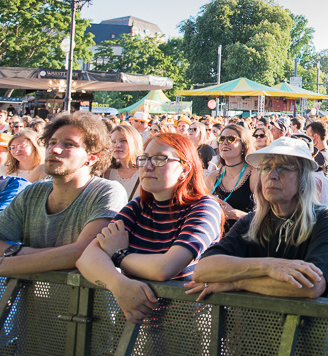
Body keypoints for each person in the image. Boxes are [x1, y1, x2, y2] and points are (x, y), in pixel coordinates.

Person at [76, 133, 223, 323]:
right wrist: (117, 284)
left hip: (187, 323)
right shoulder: (137, 207)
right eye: (144, 159)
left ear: (185, 169)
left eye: (160, 159)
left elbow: (165, 268)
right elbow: (87, 258)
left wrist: (118, 255)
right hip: (136, 317)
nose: (147, 166)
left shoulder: (205, 207)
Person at [187, 138, 328, 300]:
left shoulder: (325, 218)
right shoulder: (251, 221)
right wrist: (268, 266)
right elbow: (203, 269)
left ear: (303, 177)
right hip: (251, 324)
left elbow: (312, 286)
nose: (272, 175)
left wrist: (238, 284)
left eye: (283, 168)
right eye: (266, 167)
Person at [0, 112, 128, 276]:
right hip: (30, 299)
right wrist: (20, 252)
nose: (55, 149)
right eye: (52, 142)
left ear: (92, 158)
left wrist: (3, 265)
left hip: (84, 299)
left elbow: (83, 252)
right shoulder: (33, 192)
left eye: (69, 144)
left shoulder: (107, 192)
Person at [206, 124, 258, 231]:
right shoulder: (213, 177)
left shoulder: (254, 174)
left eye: (231, 139)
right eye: (221, 139)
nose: (225, 142)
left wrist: (236, 214)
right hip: (218, 239)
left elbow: (268, 218)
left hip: (245, 238)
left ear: (243, 146)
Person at [104, 123, 144, 201]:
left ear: (134, 143)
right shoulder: (106, 172)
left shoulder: (145, 170)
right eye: (113, 142)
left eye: (123, 141)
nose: (117, 145)